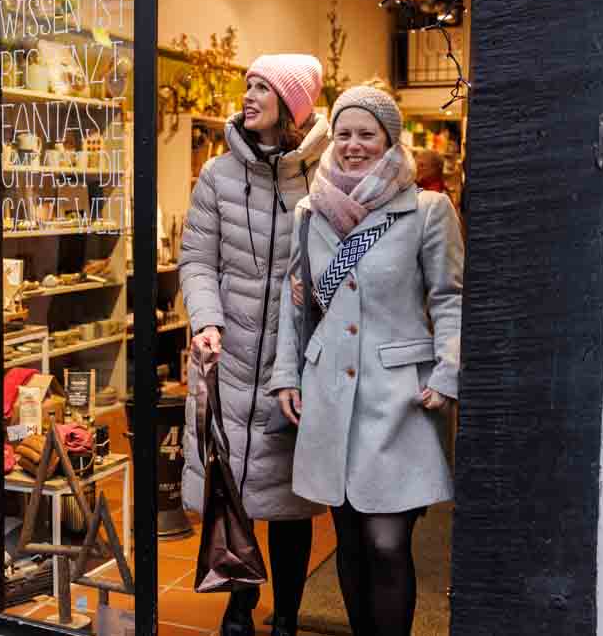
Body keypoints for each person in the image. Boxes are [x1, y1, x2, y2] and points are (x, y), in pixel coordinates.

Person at [270, 86, 463, 636]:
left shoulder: (426, 210)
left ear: (388, 140)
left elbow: (450, 297)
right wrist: (287, 373)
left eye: (366, 135)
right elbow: (297, 298)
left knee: (387, 542)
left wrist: (447, 374)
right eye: (345, 134)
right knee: (349, 541)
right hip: (328, 389)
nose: (353, 146)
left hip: (398, 395)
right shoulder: (312, 210)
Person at [179, 54, 329, 636]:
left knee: (291, 501)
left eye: (263, 86)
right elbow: (197, 259)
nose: (249, 93)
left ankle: (287, 614)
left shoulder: (322, 179)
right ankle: (239, 606)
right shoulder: (218, 176)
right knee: (235, 486)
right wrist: (206, 321)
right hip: (232, 355)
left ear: (291, 105)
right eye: (248, 83)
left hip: (296, 360)